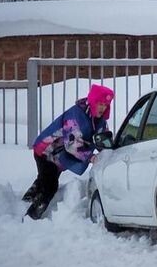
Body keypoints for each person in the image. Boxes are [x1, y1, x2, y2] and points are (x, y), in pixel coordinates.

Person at [24, 83, 114, 220]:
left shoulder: (99, 121)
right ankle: (31, 217)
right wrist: (91, 157)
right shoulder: (76, 116)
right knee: (50, 185)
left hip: (59, 157)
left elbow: (102, 138)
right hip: (46, 151)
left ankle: (25, 200)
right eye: (100, 104)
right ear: (93, 101)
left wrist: (111, 150)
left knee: (44, 180)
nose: (103, 107)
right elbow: (72, 145)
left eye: (105, 105)